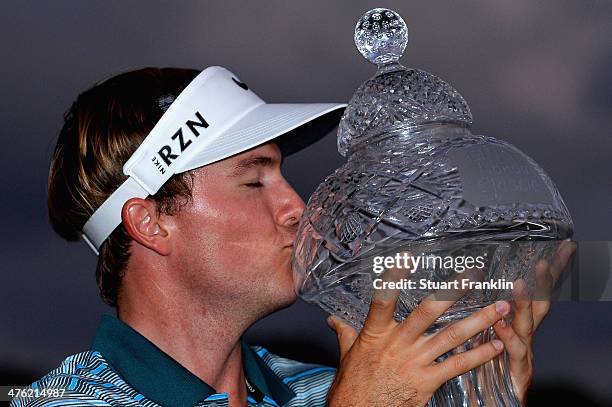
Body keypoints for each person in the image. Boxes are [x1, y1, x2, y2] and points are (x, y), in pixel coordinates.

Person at [11, 66, 575, 407]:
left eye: (281, 173)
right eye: (254, 180)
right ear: (150, 222)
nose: (297, 209)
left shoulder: (328, 387)